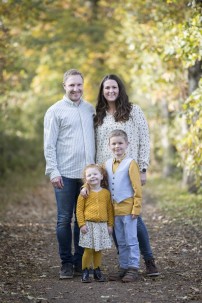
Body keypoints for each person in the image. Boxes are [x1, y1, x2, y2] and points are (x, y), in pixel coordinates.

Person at [94, 74, 159, 276]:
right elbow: (98, 146)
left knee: (134, 217)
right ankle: (126, 264)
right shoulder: (99, 115)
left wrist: (143, 168)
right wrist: (96, 173)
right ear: (102, 91)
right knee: (114, 217)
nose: (111, 91)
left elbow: (144, 140)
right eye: (107, 88)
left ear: (120, 89)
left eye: (114, 87)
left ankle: (148, 261)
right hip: (106, 172)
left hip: (128, 172)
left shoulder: (134, 111)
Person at [44, 69, 95, 279]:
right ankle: (65, 263)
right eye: (71, 85)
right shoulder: (55, 111)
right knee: (64, 219)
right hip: (64, 174)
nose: (76, 89)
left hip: (87, 177)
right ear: (64, 86)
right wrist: (53, 171)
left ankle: (78, 262)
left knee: (82, 219)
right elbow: (49, 145)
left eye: (79, 85)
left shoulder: (90, 109)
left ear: (83, 86)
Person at [106, 129, 142, 282]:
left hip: (128, 209)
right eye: (113, 143)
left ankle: (133, 268)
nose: (117, 146)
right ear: (109, 146)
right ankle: (123, 267)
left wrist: (136, 208)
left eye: (120, 143)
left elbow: (137, 187)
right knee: (120, 240)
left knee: (131, 239)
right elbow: (100, 182)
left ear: (126, 144)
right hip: (115, 211)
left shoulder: (131, 163)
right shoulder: (107, 164)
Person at [76, 164, 114, 283]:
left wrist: (110, 225)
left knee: (98, 250)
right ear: (85, 178)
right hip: (88, 225)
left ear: (102, 176)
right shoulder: (84, 193)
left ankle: (97, 271)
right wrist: (82, 224)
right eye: (89, 175)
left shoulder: (106, 193)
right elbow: (79, 210)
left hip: (102, 225)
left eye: (95, 174)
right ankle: (85, 271)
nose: (92, 177)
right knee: (88, 250)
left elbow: (109, 210)